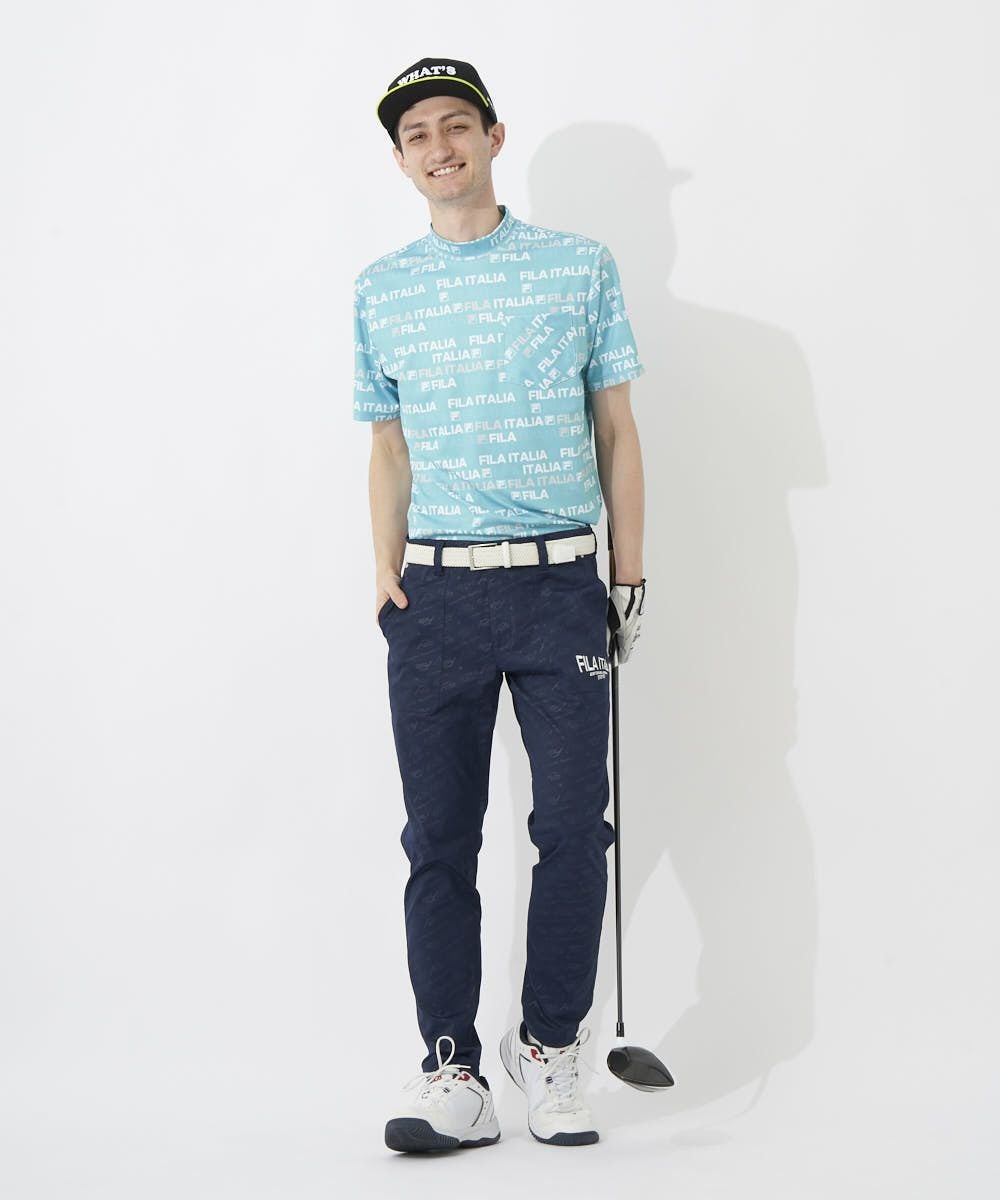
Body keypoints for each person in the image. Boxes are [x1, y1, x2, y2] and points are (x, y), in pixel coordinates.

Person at [353, 57, 647, 1153]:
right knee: (439, 838)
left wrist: (629, 577)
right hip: (434, 594)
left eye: (455, 126)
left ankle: (550, 1047)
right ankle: (455, 1072)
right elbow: (388, 446)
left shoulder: (578, 266)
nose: (439, 147)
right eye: (416, 135)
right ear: (401, 160)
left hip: (560, 585)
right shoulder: (381, 288)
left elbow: (616, 429)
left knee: (574, 827)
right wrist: (385, 569)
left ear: (492, 136)